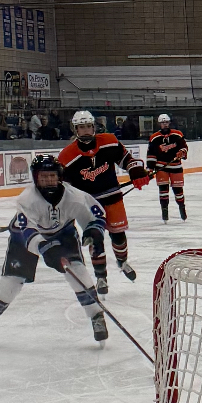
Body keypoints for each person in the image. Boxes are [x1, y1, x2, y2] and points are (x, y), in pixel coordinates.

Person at [0, 155, 109, 346]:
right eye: (44, 177)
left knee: (78, 272)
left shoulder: (75, 197)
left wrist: (94, 232)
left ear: (60, 177)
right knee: (11, 282)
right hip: (23, 238)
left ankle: (96, 316)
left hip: (63, 234)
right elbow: (29, 234)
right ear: (35, 178)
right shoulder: (27, 199)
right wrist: (45, 248)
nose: (49, 181)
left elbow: (97, 216)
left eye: (52, 176)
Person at [58, 109, 150, 295]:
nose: (85, 131)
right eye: (81, 127)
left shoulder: (109, 141)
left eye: (88, 127)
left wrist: (135, 171)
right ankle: (101, 277)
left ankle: (122, 262)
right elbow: (64, 185)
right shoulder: (67, 155)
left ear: (94, 127)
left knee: (118, 235)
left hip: (112, 197)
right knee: (95, 240)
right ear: (75, 130)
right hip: (88, 205)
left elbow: (126, 159)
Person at [147, 113, 189, 223]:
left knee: (178, 190)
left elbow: (184, 147)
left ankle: (182, 209)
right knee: (163, 191)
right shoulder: (154, 138)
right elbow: (151, 154)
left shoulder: (178, 134)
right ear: (159, 124)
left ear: (169, 123)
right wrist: (150, 168)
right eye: (162, 123)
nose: (165, 125)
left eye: (166, 122)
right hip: (161, 167)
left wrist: (182, 152)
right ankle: (164, 213)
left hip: (176, 166)